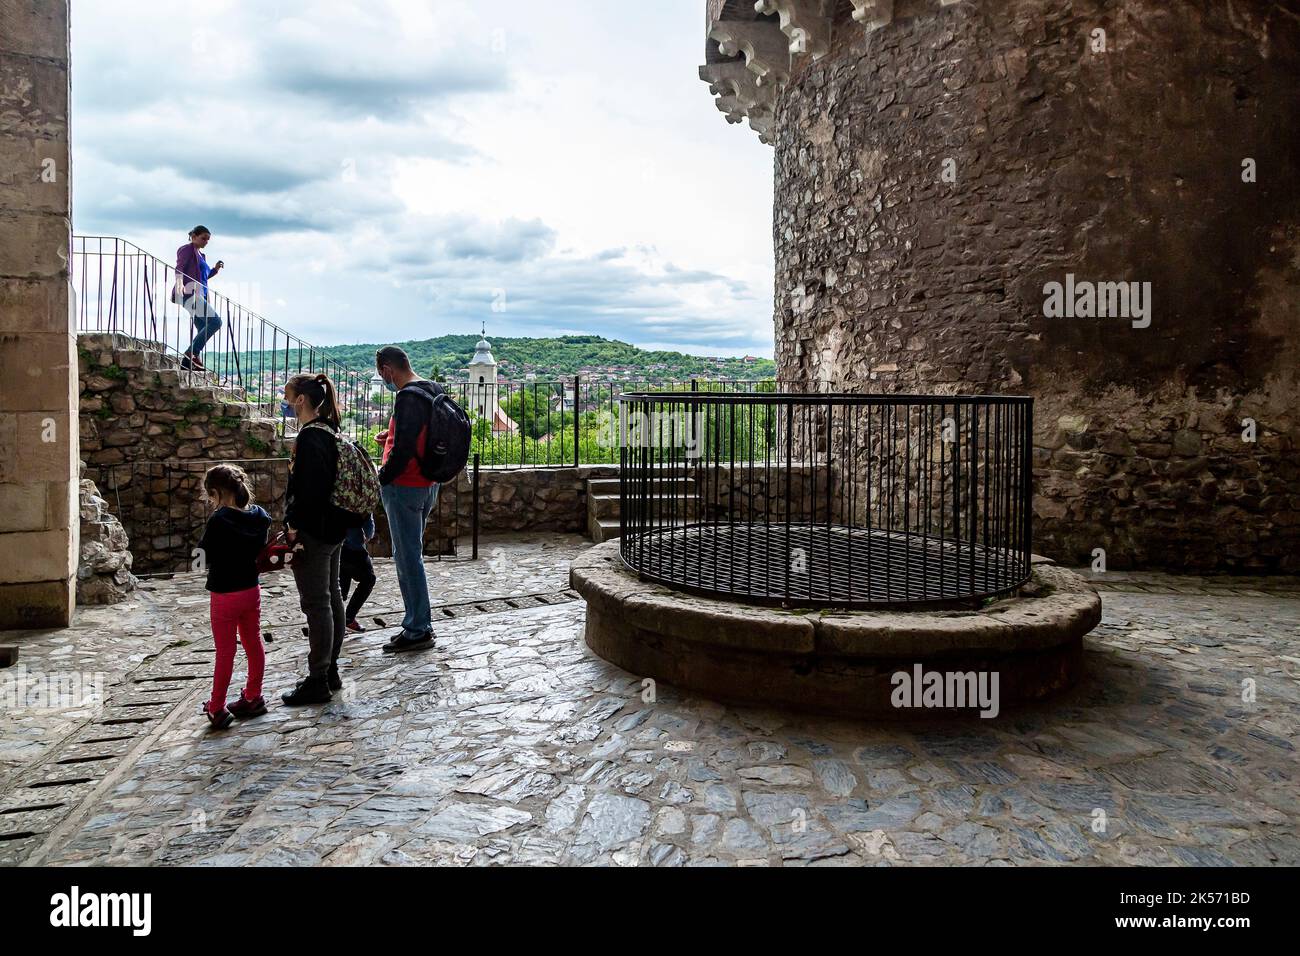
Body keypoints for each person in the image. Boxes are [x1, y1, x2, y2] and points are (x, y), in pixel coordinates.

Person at [281, 373, 349, 705]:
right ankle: (330, 668)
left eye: (287, 396)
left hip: (314, 531)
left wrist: (293, 525)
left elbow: (310, 492)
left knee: (317, 604)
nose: (285, 401)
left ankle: (318, 678)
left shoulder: (309, 437)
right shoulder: (330, 430)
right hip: (334, 528)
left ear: (301, 400)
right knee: (332, 595)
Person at [374, 346, 445, 654]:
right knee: (412, 554)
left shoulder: (406, 397)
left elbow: (403, 451)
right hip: (429, 482)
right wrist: (388, 438)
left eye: (381, 375)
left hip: (405, 485)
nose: (384, 380)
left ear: (388, 369)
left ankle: (417, 628)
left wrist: (382, 476)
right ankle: (418, 623)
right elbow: (419, 436)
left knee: (407, 558)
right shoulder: (432, 388)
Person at [197, 464, 272, 730]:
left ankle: (216, 707)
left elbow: (202, 556)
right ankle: (253, 696)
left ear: (216, 493)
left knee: (226, 651)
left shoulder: (219, 520)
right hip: (251, 589)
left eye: (210, 496)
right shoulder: (260, 516)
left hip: (224, 594)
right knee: (253, 642)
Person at [174, 225, 225, 371]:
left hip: (199, 294)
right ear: (194, 236)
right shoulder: (186, 249)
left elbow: (204, 276)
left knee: (203, 327)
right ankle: (191, 353)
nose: (206, 242)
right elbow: (179, 267)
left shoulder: (200, 255)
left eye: (208, 239)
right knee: (216, 322)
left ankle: (188, 362)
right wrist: (179, 283)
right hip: (189, 293)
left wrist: (215, 269)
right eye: (203, 238)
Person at [340, 511, 377, 633]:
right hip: (353, 548)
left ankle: (334, 621)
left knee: (339, 587)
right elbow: (369, 532)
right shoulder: (363, 500)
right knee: (368, 579)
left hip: (336, 545)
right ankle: (347, 619)